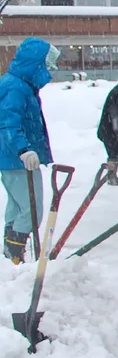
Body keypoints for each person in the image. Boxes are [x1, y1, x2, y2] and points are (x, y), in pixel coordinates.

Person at [1, 38, 58, 265]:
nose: (51, 69)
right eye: (48, 63)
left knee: (18, 207)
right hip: (17, 159)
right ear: (36, 63)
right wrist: (23, 150)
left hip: (13, 158)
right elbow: (7, 122)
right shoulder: (14, 87)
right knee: (32, 210)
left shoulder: (20, 85)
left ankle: (10, 254)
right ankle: (14, 253)